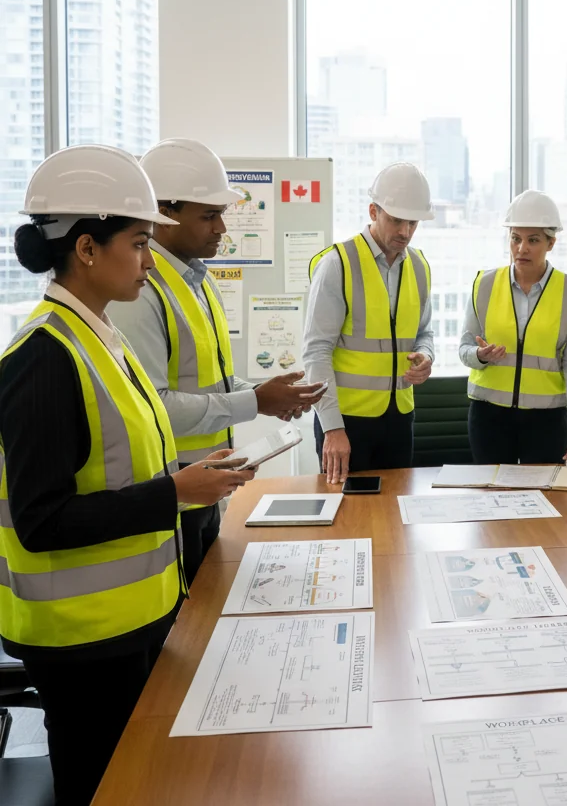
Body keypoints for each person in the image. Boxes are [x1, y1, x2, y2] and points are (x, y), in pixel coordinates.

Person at [0, 145, 255, 806]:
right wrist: (177, 492)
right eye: (139, 243)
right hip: (81, 643)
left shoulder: (101, 341)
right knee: (103, 789)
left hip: (130, 625)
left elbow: (120, 469)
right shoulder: (43, 360)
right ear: (87, 249)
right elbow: (42, 521)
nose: (149, 261)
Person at [108, 138, 324, 584]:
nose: (222, 228)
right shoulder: (140, 291)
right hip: (169, 489)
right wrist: (255, 402)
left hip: (207, 483)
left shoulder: (196, 281)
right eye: (209, 215)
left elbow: (209, 379)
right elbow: (155, 406)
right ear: (164, 215)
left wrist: (262, 394)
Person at [304, 162, 435, 484]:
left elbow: (424, 333)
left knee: (395, 517)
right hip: (347, 421)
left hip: (400, 419)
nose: (405, 231)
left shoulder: (419, 266)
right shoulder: (338, 264)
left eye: (412, 222)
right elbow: (316, 352)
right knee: (347, 518)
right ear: (373, 211)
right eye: (396, 220)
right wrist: (332, 428)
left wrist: (425, 355)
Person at [461, 190, 567, 467]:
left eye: (533, 240)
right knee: (492, 501)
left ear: (551, 243)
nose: (522, 248)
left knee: (547, 502)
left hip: (546, 420)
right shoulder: (484, 284)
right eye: (515, 238)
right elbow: (464, 349)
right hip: (489, 418)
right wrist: (481, 356)